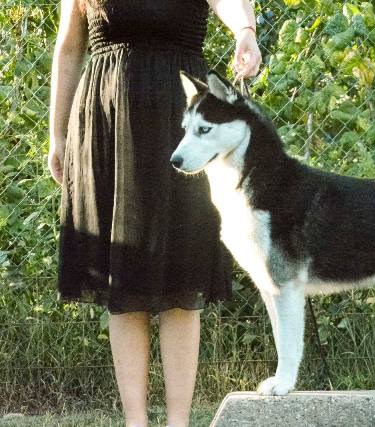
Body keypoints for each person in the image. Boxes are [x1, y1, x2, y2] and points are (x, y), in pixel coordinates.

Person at [48, 1, 261, 425]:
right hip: (107, 122)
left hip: (181, 124)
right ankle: (136, 422)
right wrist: (57, 134)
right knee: (122, 275)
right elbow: (69, 47)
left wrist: (245, 31)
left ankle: (179, 423)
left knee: (182, 275)